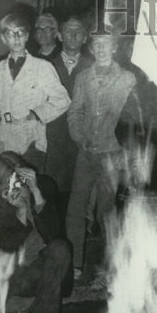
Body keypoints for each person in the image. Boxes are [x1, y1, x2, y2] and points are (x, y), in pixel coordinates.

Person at [0, 151, 73, 313]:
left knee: (60, 248)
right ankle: (4, 307)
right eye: (9, 181)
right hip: (12, 274)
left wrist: (37, 194)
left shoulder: (42, 188)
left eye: (19, 178)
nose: (16, 185)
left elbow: (56, 234)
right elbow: (4, 252)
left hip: (43, 272)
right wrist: (21, 214)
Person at [66, 29, 137, 277]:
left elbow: (133, 120)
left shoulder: (128, 79)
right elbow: (75, 111)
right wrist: (79, 137)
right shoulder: (83, 77)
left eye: (106, 44)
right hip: (85, 154)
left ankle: (109, 270)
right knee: (76, 208)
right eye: (97, 45)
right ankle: (74, 265)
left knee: (106, 212)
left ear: (115, 47)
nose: (102, 49)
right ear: (91, 49)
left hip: (112, 155)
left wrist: (124, 152)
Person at [0, 11, 70, 176]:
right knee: (6, 187)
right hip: (6, 142)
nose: (16, 38)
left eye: (20, 33)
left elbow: (63, 100)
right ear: (3, 38)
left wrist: (37, 114)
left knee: (30, 187)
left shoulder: (42, 67)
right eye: (10, 34)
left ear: (27, 36)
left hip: (32, 142)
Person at [44, 16, 94, 216]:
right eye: (68, 31)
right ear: (59, 35)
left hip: (82, 143)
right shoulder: (45, 65)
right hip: (52, 141)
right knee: (50, 196)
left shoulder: (95, 67)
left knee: (77, 200)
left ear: (85, 37)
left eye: (78, 31)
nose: (73, 35)